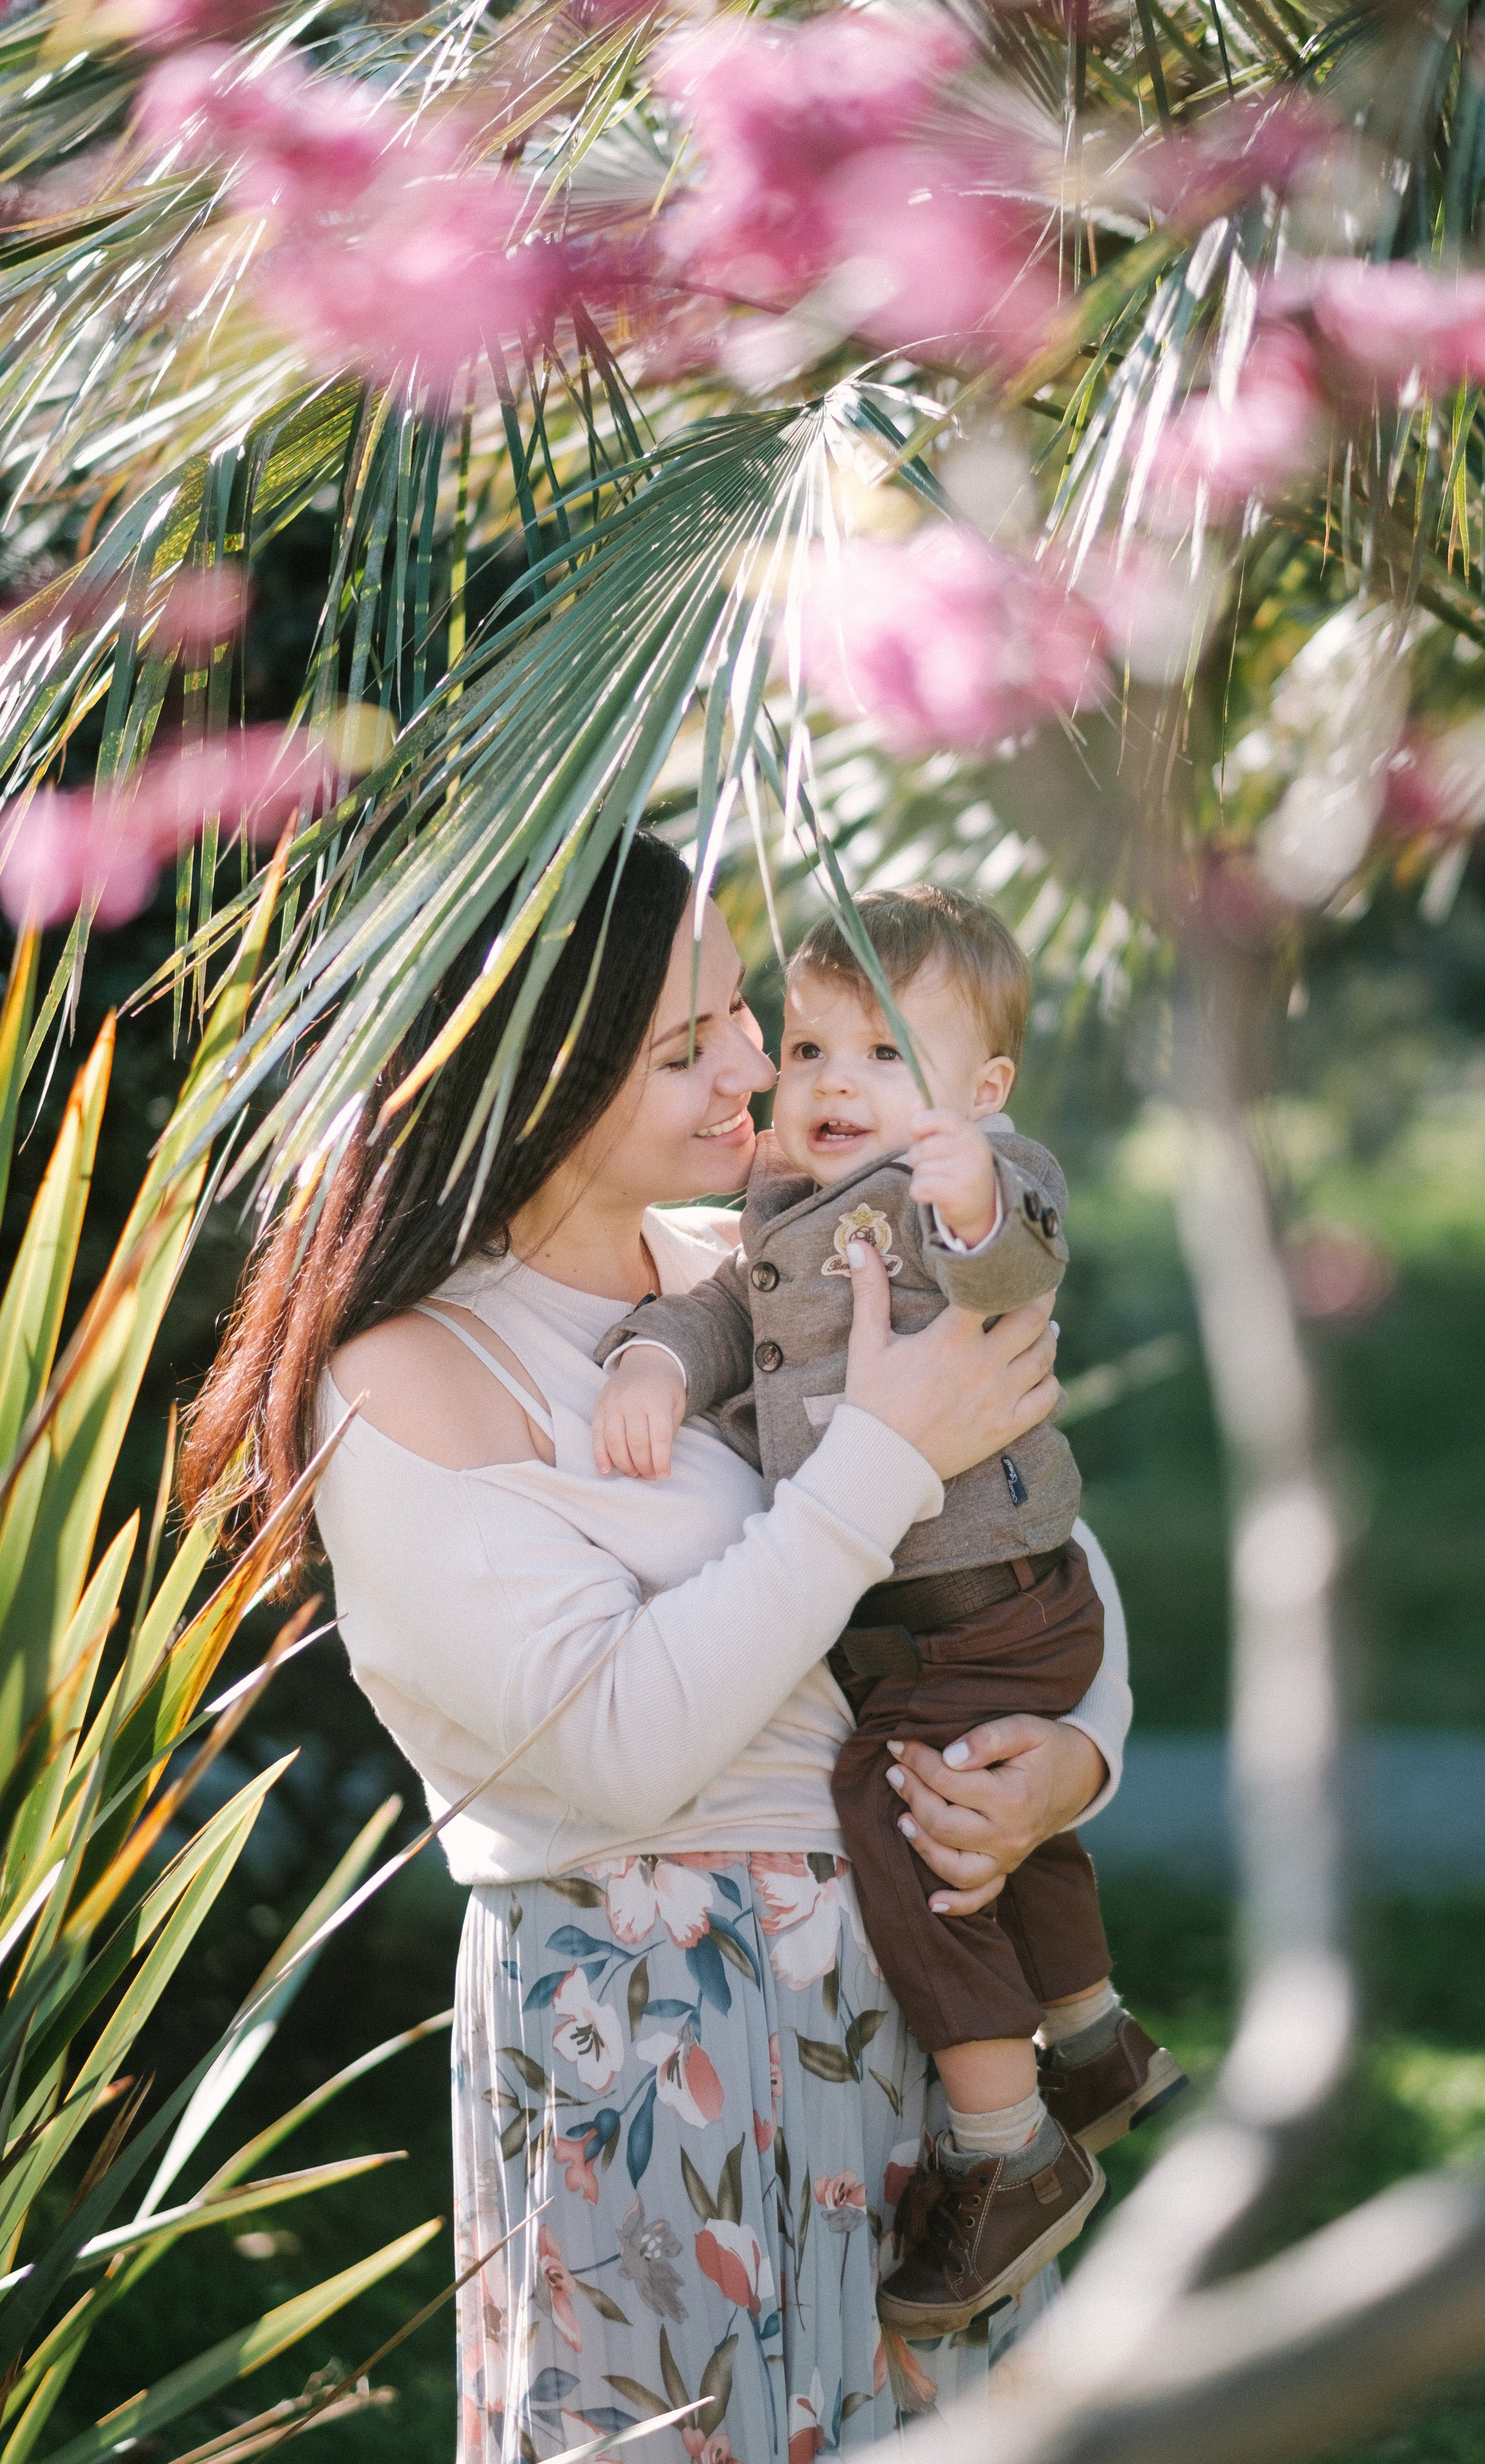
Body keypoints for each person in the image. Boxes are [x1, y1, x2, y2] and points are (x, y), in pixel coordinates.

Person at [182, 832, 1135, 2464]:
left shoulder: (753, 1267)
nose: (759, 1065)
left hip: (910, 2018)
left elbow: (1035, 1548)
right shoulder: (411, 1378)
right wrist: (878, 1458)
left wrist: (1074, 1759)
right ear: (529, 1080)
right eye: (688, 1046)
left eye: (740, 1020)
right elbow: (615, 1747)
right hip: (653, 2036)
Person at [591, 886, 1184, 2335]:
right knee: (982, 1801)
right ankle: (1093, 2045)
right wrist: (654, 1364)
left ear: (976, 1092)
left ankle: (1010, 2150)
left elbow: (1017, 1254)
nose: (830, 1083)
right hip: (946, 1618)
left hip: (988, 1597)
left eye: (880, 1055)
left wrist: (968, 1186)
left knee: (898, 1803)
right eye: (806, 1048)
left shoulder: (962, 1183)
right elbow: (727, 1309)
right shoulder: (780, 1210)